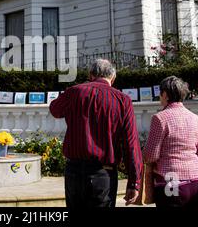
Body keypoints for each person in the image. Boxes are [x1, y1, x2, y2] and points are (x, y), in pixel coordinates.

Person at [49, 59, 143, 208]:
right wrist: (134, 182)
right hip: (103, 172)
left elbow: (54, 109)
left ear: (91, 75)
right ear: (113, 77)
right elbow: (131, 143)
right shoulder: (122, 100)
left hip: (74, 170)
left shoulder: (74, 92)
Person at [143, 76, 198, 208]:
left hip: (171, 182)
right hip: (196, 182)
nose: (159, 97)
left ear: (165, 94)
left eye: (160, 94)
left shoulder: (160, 118)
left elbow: (151, 155)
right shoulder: (195, 118)